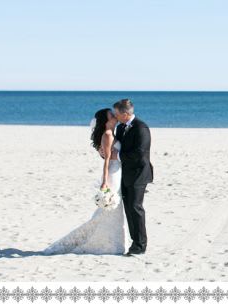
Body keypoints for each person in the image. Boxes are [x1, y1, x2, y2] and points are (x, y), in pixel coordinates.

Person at [43, 108, 129, 255]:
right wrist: (104, 182)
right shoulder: (108, 135)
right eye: (111, 116)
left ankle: (114, 243)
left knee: (112, 211)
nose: (115, 117)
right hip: (112, 174)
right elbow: (107, 161)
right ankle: (110, 244)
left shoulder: (113, 133)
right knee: (110, 210)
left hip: (118, 172)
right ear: (106, 121)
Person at [113, 99, 153, 255]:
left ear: (125, 113)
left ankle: (140, 246)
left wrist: (119, 156)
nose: (115, 116)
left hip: (138, 175)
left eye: (117, 113)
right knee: (129, 209)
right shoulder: (121, 127)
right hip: (125, 174)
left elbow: (140, 154)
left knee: (136, 209)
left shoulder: (141, 128)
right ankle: (134, 242)